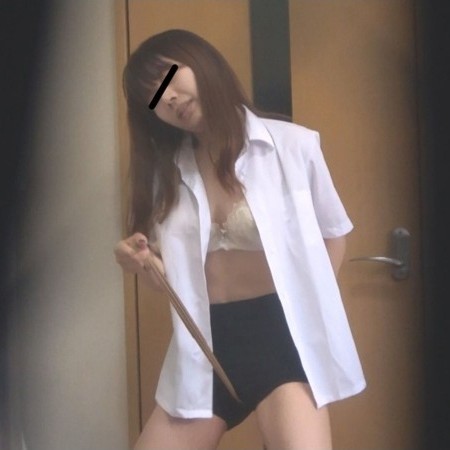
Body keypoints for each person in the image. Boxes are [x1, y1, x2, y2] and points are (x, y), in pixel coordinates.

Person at [114, 28, 366, 450]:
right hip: (205, 347)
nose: (168, 97)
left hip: (282, 340)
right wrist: (140, 263)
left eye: (170, 76)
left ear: (202, 62)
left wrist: (310, 309)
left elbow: (334, 234)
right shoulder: (167, 174)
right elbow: (169, 279)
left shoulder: (293, 146)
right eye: (154, 97)